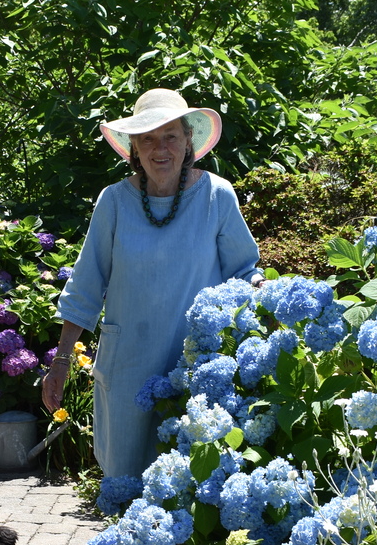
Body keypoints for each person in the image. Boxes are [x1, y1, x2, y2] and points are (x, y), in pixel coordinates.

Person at [41, 88, 262, 480]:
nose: (160, 148)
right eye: (148, 138)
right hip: (128, 365)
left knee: (191, 482)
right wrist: (60, 363)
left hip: (196, 363)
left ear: (188, 141)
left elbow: (244, 272)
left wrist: (265, 304)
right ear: (134, 148)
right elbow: (86, 284)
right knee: (126, 483)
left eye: (170, 136)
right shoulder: (114, 202)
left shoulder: (217, 195)